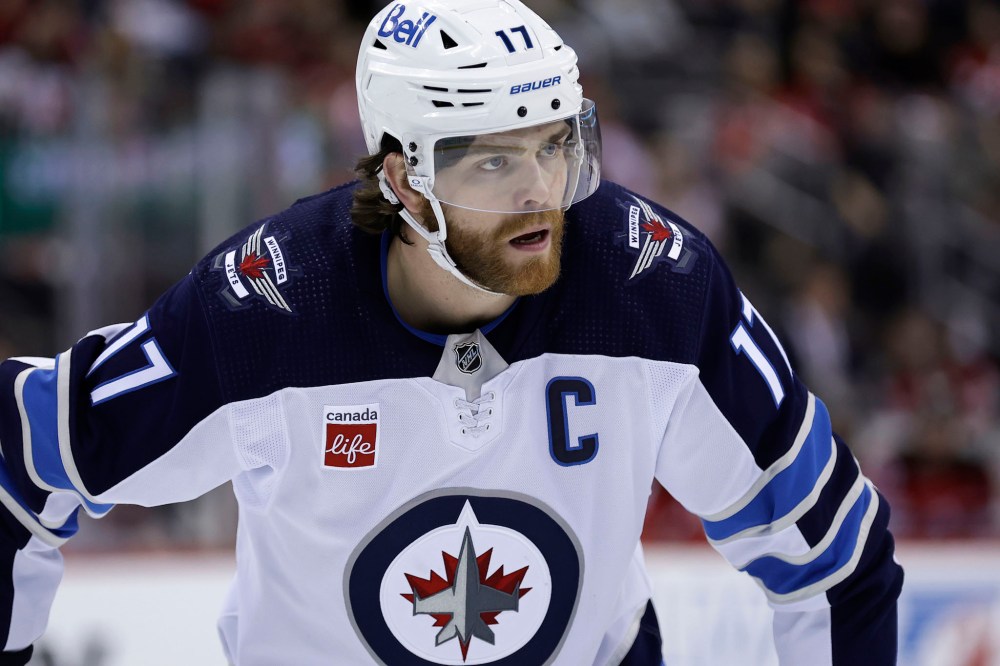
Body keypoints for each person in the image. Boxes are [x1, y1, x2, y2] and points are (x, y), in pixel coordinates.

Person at [0, 1, 902, 664]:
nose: (540, 193)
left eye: (555, 145)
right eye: (495, 160)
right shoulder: (266, 310)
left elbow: (835, 553)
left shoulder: (652, 287)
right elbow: (24, 459)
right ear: (403, 178)